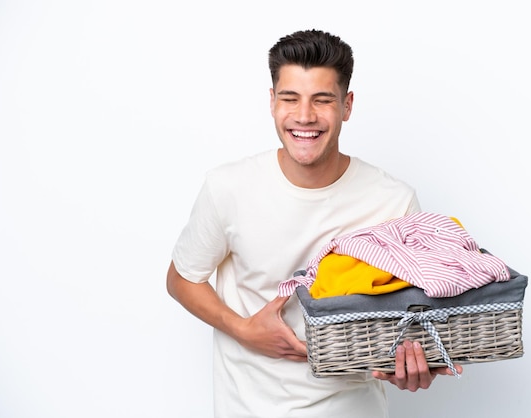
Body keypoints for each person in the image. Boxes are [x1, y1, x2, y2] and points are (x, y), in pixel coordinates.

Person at [166, 29, 461, 418]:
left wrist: (408, 367)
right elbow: (182, 277)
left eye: (322, 100)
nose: (304, 117)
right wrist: (243, 329)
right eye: (290, 98)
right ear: (272, 102)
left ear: (347, 105)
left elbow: (414, 318)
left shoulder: (394, 200)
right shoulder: (228, 187)